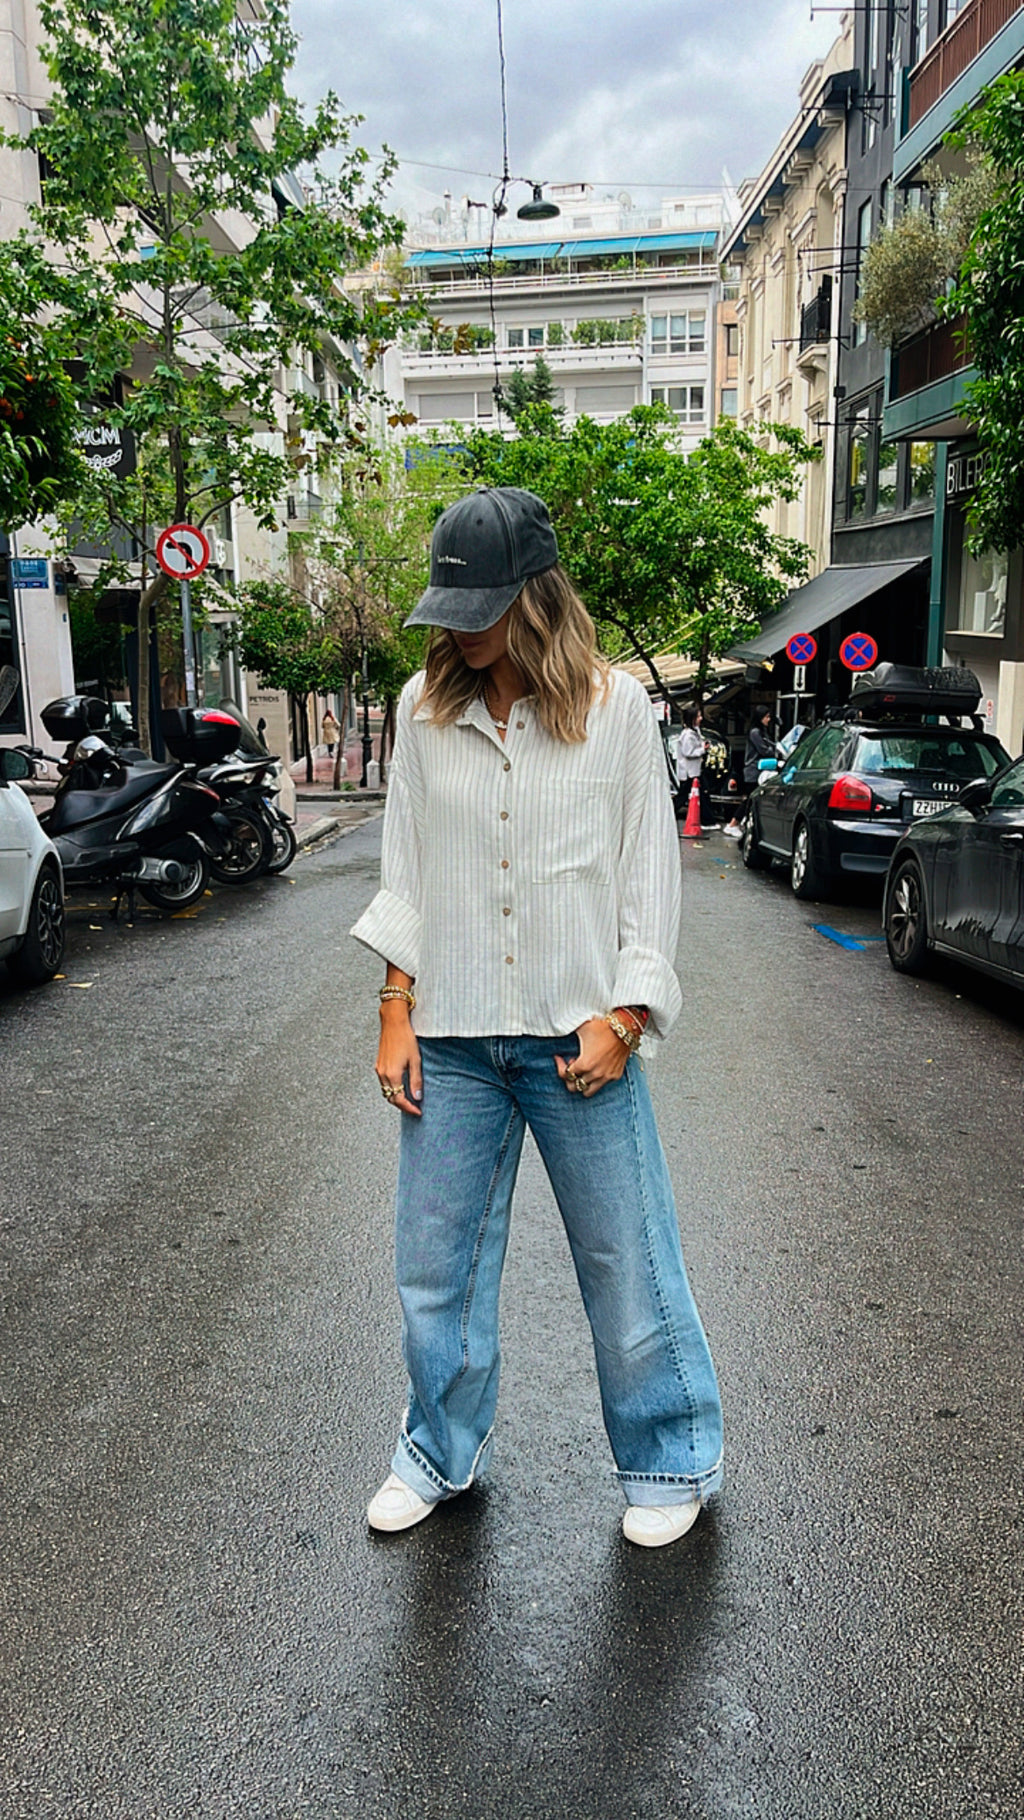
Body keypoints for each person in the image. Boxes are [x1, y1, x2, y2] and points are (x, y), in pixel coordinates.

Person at [351, 485, 723, 1550]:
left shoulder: (618, 710)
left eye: (481, 608)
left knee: (625, 1258)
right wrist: (394, 1007)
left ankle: (669, 1456)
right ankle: (437, 1450)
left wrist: (628, 1014)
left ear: (535, 597)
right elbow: (408, 868)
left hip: (579, 1034)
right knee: (436, 1266)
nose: (461, 630)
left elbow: (649, 875)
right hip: (454, 1035)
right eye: (449, 609)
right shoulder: (423, 713)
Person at [723, 708, 776, 837]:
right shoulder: (755, 732)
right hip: (754, 771)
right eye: (767, 717)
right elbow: (763, 750)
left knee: (752, 799)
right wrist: (775, 750)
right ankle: (733, 824)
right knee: (749, 799)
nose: (768, 720)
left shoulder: (761, 732)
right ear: (760, 717)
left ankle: (741, 822)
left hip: (758, 770)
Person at [675, 705, 706, 822]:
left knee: (699, 794)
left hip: (693, 770)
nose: (701, 718)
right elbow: (688, 752)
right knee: (683, 796)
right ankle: (707, 820)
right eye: (698, 716)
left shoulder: (694, 732)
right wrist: (702, 750)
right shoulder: (688, 735)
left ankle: (707, 819)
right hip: (689, 771)